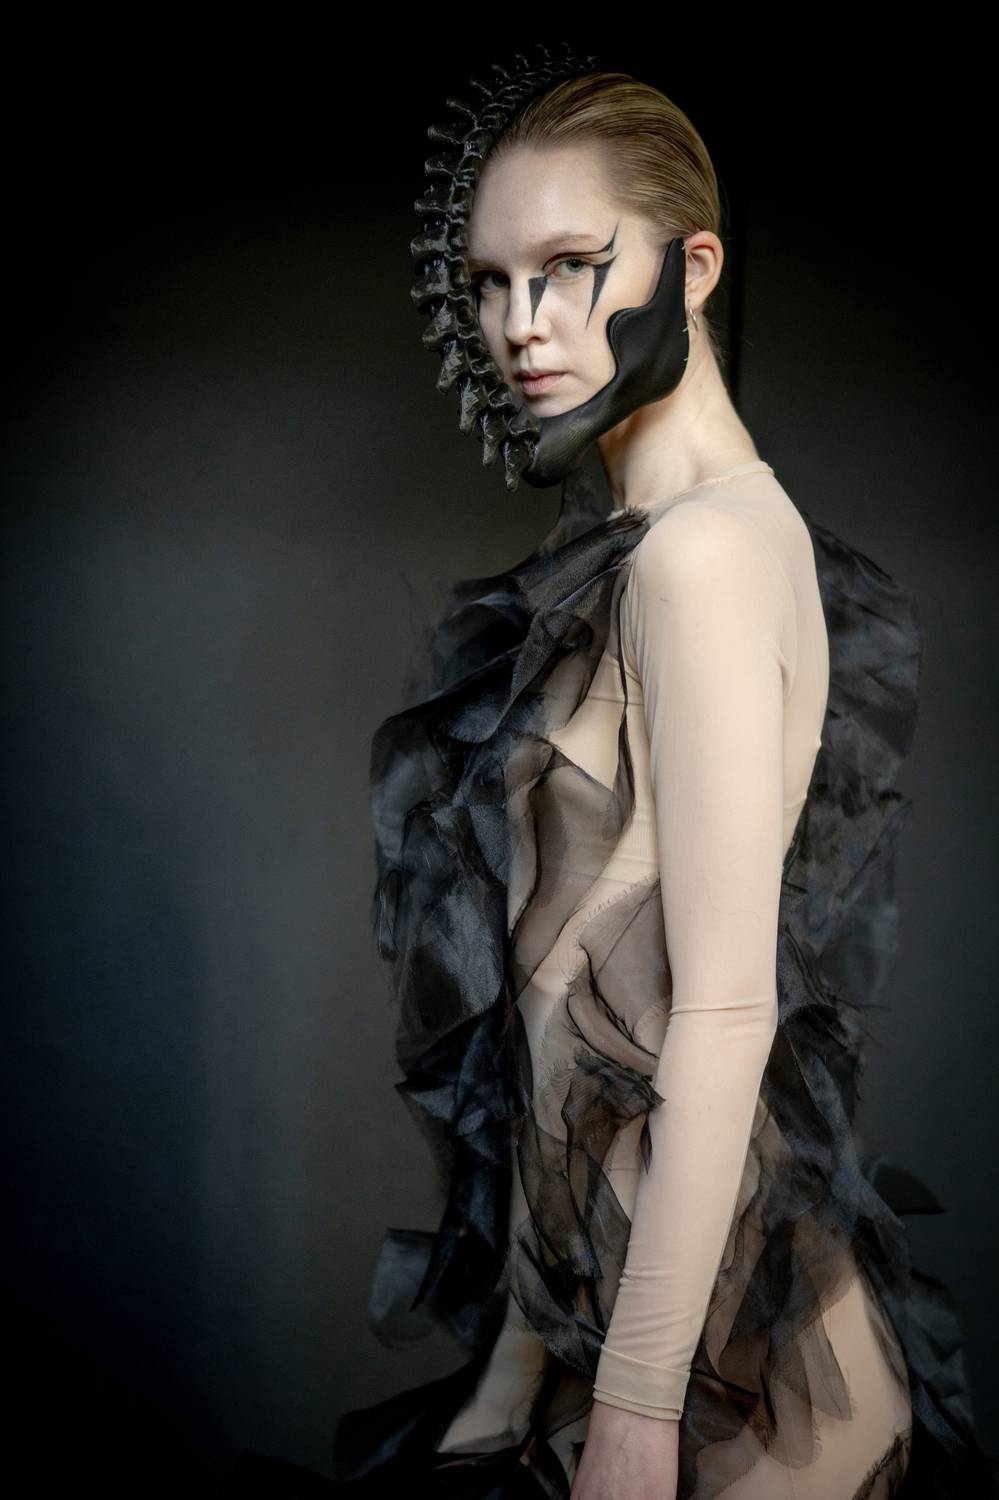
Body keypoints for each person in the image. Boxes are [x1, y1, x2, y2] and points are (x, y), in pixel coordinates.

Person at [330, 45, 996, 1500]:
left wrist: (635, 1405)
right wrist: (520, 1371)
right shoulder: (639, 552)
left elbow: (726, 1005)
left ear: (693, 269)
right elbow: (567, 1019)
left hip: (727, 1375)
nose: (522, 325)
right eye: (493, 282)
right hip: (609, 1313)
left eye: (571, 268)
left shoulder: (701, 556)